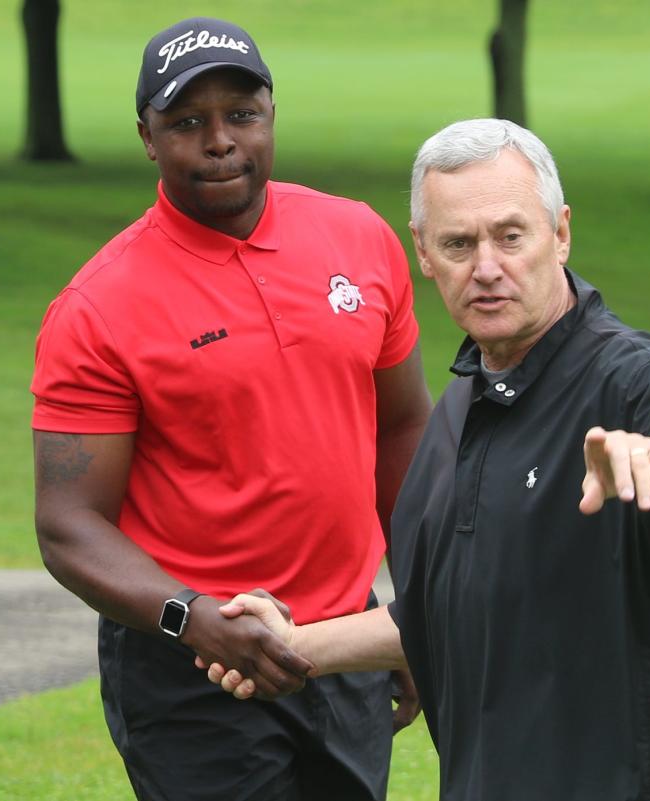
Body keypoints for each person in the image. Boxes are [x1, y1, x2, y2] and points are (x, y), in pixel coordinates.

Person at [208, 118, 650, 801]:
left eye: (510, 235)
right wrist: (291, 646)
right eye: (459, 243)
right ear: (425, 254)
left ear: (560, 232)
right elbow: (443, 616)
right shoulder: (461, 408)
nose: (487, 267)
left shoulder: (630, 377)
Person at [30, 16, 432, 801]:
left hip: (342, 640)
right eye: (187, 123)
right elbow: (68, 525)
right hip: (191, 666)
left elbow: (404, 426)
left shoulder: (359, 239)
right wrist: (196, 618)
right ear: (148, 138)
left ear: (272, 113)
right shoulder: (98, 306)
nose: (220, 141)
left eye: (241, 115)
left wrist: (416, 610)